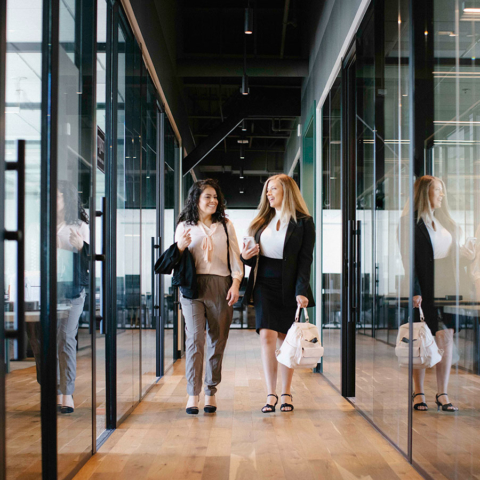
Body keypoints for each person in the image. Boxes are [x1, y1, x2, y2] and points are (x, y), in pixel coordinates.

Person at [241, 174, 315, 413]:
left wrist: (301, 290)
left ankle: (286, 392)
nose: (268, 194)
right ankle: (270, 394)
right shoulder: (262, 221)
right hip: (264, 283)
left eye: (273, 189)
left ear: (287, 191)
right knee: (266, 336)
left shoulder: (304, 222)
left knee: (286, 340)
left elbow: (306, 260)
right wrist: (245, 257)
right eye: (267, 190)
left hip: (290, 285)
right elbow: (252, 257)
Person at [400, 175, 468, 412]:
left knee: (446, 336)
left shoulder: (445, 222)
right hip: (423, 287)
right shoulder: (409, 223)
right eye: (437, 190)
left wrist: (465, 256)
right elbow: (408, 260)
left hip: (447, 287)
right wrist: (415, 290)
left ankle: (442, 393)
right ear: (424, 193)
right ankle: (418, 392)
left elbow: (451, 256)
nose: (441, 194)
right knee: (419, 338)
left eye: (442, 190)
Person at [175, 179, 243, 414]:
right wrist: (180, 246)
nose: (213, 201)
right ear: (196, 199)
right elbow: (176, 258)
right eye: (208, 197)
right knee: (195, 338)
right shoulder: (185, 225)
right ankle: (193, 394)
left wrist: (235, 284)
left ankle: (210, 391)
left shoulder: (226, 225)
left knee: (218, 339)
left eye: (215, 197)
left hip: (221, 284)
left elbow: (236, 258)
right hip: (192, 287)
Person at [28, 181, 89, 414]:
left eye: (57, 196)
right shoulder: (38, 226)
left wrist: (81, 245)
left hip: (70, 289)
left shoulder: (79, 225)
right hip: (40, 289)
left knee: (64, 339)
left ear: (68, 199)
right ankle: (49, 389)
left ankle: (66, 391)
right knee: (40, 342)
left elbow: (91, 257)